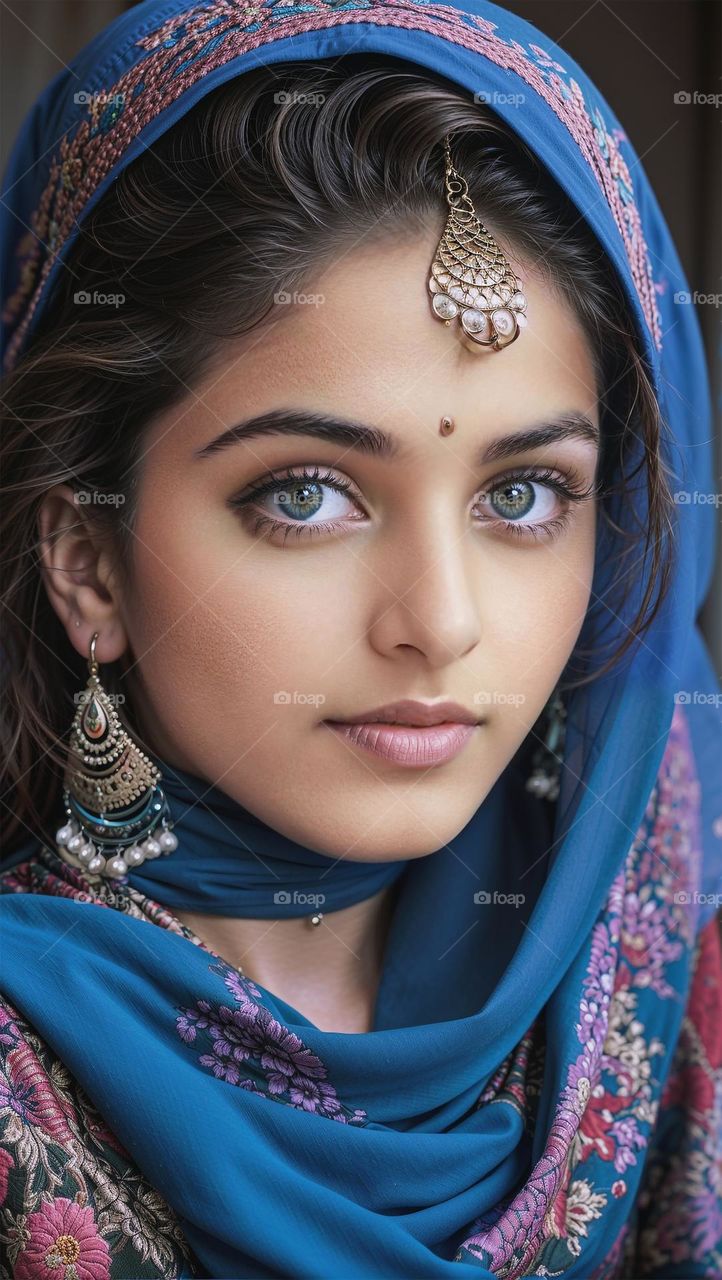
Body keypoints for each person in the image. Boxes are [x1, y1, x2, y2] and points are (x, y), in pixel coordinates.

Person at [1, 0, 720, 1276]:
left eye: (521, 495)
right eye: (306, 495)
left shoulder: (668, 959)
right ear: (87, 559)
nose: (439, 622)